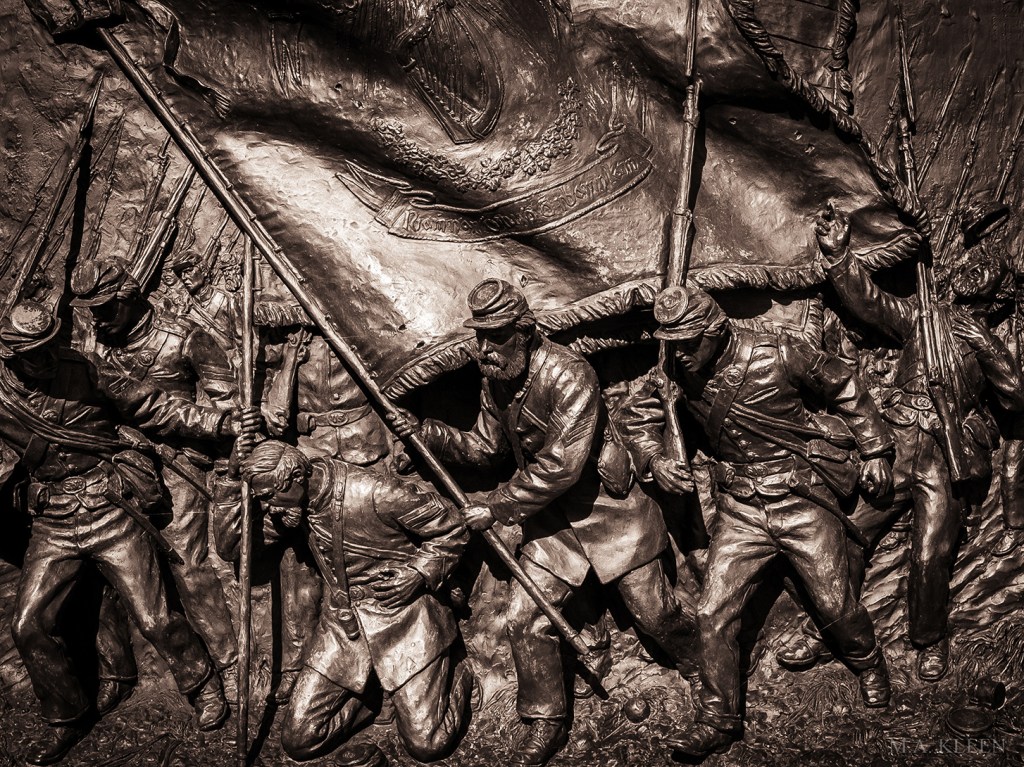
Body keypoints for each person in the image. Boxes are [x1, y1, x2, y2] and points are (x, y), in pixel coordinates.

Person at [390, 278, 697, 767]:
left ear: (526, 332)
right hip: (553, 522)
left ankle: (703, 664)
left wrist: (498, 507)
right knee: (525, 620)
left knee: (654, 613)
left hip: (609, 512)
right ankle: (545, 721)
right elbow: (488, 449)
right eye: (480, 336)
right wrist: (428, 433)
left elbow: (563, 464)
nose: (484, 349)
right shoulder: (497, 380)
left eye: (496, 336)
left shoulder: (570, 374)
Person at [622, 283, 895, 758]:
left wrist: (875, 449)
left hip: (799, 496)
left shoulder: (779, 349)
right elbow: (635, 418)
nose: (680, 355)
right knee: (712, 610)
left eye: (688, 344)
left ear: (715, 331)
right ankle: (718, 718)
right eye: (673, 345)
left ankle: (868, 663)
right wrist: (654, 460)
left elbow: (845, 386)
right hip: (740, 509)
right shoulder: (672, 369)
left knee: (835, 602)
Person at [0, 300, 254, 764]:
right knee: (28, 624)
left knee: (154, 615)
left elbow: (153, 405)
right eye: (33, 351)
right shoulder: (1, 394)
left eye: (49, 346)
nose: (46, 358)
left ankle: (202, 686)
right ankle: (67, 718)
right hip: (53, 518)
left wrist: (219, 421)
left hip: (108, 505)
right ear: (11, 354)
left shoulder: (84, 369)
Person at [815, 204, 1024, 681]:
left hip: (945, 459)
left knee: (931, 552)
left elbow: (1015, 395)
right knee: (847, 532)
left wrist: (984, 342)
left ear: (999, 294)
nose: (977, 271)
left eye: (989, 269)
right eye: (973, 265)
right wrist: (839, 254)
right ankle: (837, 630)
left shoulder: (988, 339)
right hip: (897, 443)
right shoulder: (923, 318)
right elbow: (870, 302)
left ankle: (928, 639)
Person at [239, 440, 474, 764]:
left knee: (427, 744)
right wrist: (227, 481)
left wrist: (418, 574)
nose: (268, 507)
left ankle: (458, 671)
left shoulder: (375, 491)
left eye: (268, 497)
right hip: (345, 626)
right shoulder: (292, 507)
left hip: (403, 620)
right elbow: (235, 551)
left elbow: (453, 527)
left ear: (294, 478)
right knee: (299, 741)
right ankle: (374, 693)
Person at [70, 256, 240, 679]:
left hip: (176, 467)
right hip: (114, 467)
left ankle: (229, 660)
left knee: (188, 563)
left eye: (106, 308)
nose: (99, 320)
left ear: (132, 296)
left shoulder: (185, 337)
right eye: (92, 312)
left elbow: (226, 408)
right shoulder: (94, 344)